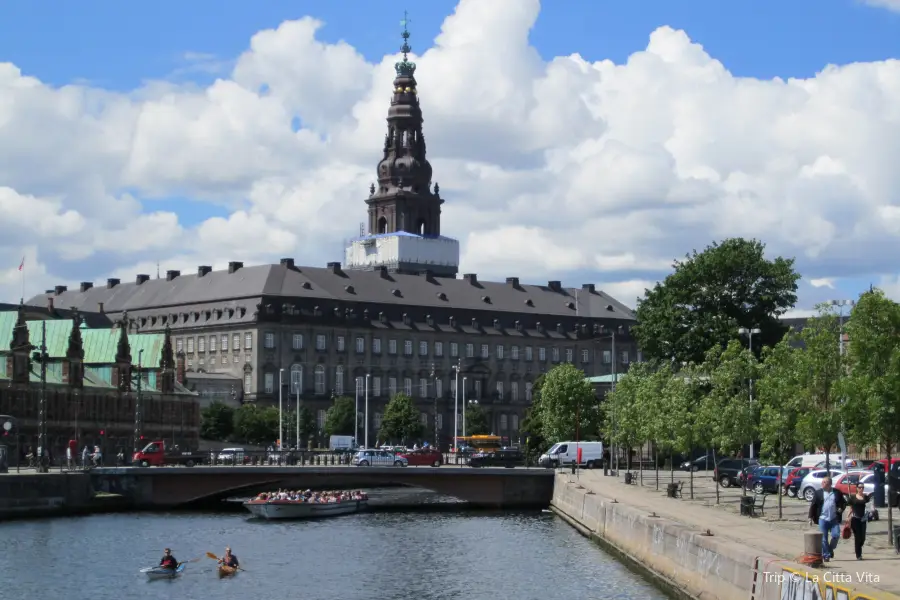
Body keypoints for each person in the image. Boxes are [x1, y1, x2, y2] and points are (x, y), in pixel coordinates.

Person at [808, 476, 847, 562]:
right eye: (822, 482)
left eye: (824, 482)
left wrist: (841, 509)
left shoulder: (837, 492)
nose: (822, 484)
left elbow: (843, 503)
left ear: (830, 484)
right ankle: (826, 555)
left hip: (834, 518)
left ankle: (829, 549)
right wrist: (810, 517)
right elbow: (813, 505)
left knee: (836, 535)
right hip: (822, 518)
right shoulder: (818, 493)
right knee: (824, 539)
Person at [847, 483, 872, 560]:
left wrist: (871, 512)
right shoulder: (852, 497)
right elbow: (851, 508)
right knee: (857, 537)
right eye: (860, 487)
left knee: (863, 538)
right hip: (855, 519)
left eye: (862, 487)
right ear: (857, 488)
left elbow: (869, 506)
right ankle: (859, 555)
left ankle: (858, 547)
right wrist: (848, 517)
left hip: (863, 519)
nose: (861, 489)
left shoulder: (866, 497)